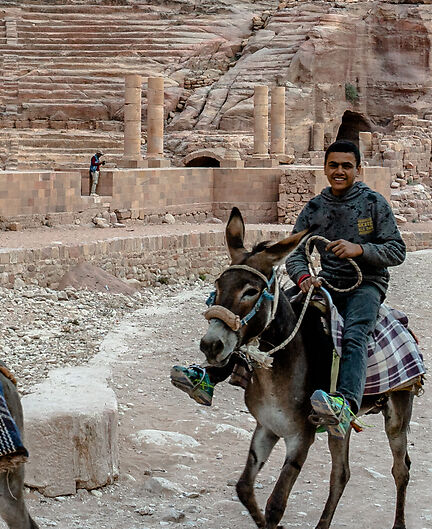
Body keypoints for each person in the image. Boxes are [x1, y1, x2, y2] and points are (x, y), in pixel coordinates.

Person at [171, 141, 404, 433]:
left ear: (359, 169)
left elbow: (397, 251)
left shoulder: (374, 203)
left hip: (364, 286)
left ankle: (345, 404)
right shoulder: (316, 207)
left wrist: (360, 250)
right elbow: (296, 253)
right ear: (325, 168)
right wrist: (304, 278)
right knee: (266, 318)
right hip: (323, 283)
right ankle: (210, 377)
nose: (340, 171)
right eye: (334, 165)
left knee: (355, 334)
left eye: (347, 166)